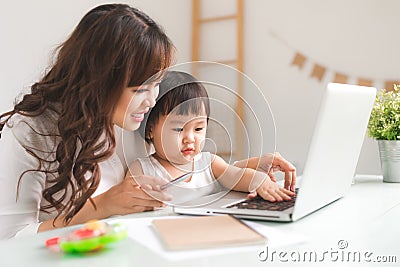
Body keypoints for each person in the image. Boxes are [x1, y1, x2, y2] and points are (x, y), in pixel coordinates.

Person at [0, 3, 176, 239]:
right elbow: (9, 238)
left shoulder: (130, 122)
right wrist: (101, 206)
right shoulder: (30, 130)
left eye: (156, 85)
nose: (151, 101)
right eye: (140, 89)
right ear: (101, 81)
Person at [126, 71, 296, 205]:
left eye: (198, 128)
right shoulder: (142, 169)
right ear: (150, 130)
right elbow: (129, 204)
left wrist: (261, 181)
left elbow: (236, 175)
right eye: (179, 128)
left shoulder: (209, 163)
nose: (190, 138)